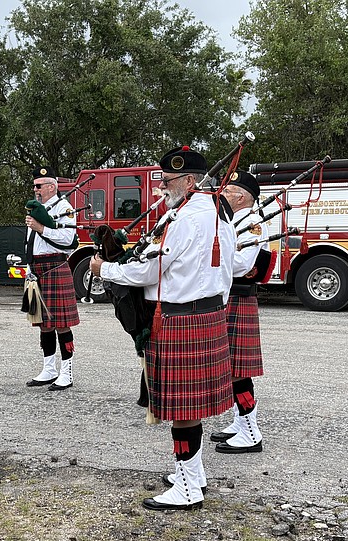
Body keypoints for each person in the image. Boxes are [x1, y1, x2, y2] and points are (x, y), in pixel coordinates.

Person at [90, 146, 235, 511]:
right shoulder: (220, 214)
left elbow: (152, 270)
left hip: (178, 317)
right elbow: (229, 268)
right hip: (208, 314)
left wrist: (104, 271)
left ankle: (186, 490)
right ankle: (194, 475)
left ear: (189, 181)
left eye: (167, 182)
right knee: (191, 408)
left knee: (182, 411)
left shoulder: (183, 219)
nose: (161, 189)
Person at [212, 170, 267, 454]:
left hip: (238, 296)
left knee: (237, 369)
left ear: (242, 196)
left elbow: (242, 265)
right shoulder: (234, 220)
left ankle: (250, 433)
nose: (223, 194)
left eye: (229, 190)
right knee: (232, 366)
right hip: (228, 296)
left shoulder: (254, 223)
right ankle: (240, 422)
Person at [24, 166, 79, 391]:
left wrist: (41, 228)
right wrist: (29, 268)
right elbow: (30, 244)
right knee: (43, 324)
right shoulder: (36, 208)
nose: (35, 189)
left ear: (51, 186)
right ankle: (49, 369)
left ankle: (67, 372)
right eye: (34, 186)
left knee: (61, 325)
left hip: (55, 267)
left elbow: (68, 239)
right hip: (37, 270)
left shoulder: (64, 207)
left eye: (39, 186)